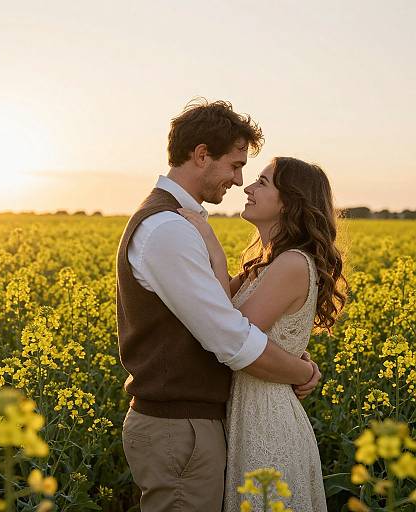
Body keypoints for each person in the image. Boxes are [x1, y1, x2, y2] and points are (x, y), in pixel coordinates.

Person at [116, 99, 322, 512]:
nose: (239, 180)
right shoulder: (168, 229)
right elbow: (232, 339)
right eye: (234, 165)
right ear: (201, 155)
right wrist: (303, 370)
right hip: (180, 429)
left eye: (253, 175)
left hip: (201, 424)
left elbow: (230, 324)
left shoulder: (176, 223)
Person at [179, 156, 347, 511]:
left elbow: (233, 331)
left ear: (288, 201)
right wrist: (301, 366)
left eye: (263, 182)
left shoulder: (291, 264)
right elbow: (218, 303)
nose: (248, 188)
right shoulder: (269, 262)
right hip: (249, 410)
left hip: (268, 420)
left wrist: (212, 244)